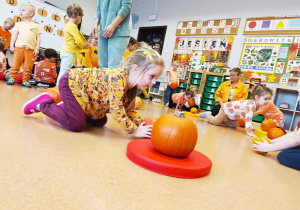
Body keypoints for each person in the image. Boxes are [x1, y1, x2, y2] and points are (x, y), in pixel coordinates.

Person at [22, 44, 164, 138]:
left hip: (87, 96)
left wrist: (141, 124)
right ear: (135, 69)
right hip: (72, 83)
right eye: (152, 76)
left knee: (100, 121)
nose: (154, 82)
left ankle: (67, 107)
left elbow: (129, 111)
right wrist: (135, 130)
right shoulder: (118, 78)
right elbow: (117, 110)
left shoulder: (132, 87)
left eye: (156, 78)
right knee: (76, 125)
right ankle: (44, 104)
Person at [200, 85, 273, 137]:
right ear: (257, 97)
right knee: (216, 122)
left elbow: (248, 118)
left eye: (269, 99)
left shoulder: (255, 105)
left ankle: (219, 118)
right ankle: (208, 115)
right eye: (266, 99)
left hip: (232, 115)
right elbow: (248, 119)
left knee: (234, 125)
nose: (268, 101)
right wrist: (249, 131)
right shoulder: (251, 105)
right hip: (226, 109)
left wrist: (250, 126)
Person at [7, 3, 42, 87]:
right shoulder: (19, 24)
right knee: (15, 64)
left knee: (28, 66)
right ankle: (12, 78)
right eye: (20, 10)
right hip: (19, 48)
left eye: (23, 10)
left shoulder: (36, 26)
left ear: (30, 13)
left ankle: (25, 80)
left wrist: (37, 49)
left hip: (30, 49)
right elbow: (15, 35)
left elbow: (38, 38)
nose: (21, 12)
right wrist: (12, 45)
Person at [56, 4, 90, 85]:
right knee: (64, 71)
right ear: (78, 17)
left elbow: (73, 42)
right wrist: (83, 46)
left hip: (67, 51)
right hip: (68, 53)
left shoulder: (68, 24)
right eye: (81, 18)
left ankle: (59, 87)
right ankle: (58, 88)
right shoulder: (73, 26)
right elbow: (78, 40)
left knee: (65, 71)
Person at [93, 0, 132, 68]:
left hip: (120, 32)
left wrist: (113, 25)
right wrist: (95, 24)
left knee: (113, 66)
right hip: (103, 31)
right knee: (102, 66)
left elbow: (126, 7)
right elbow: (98, 9)